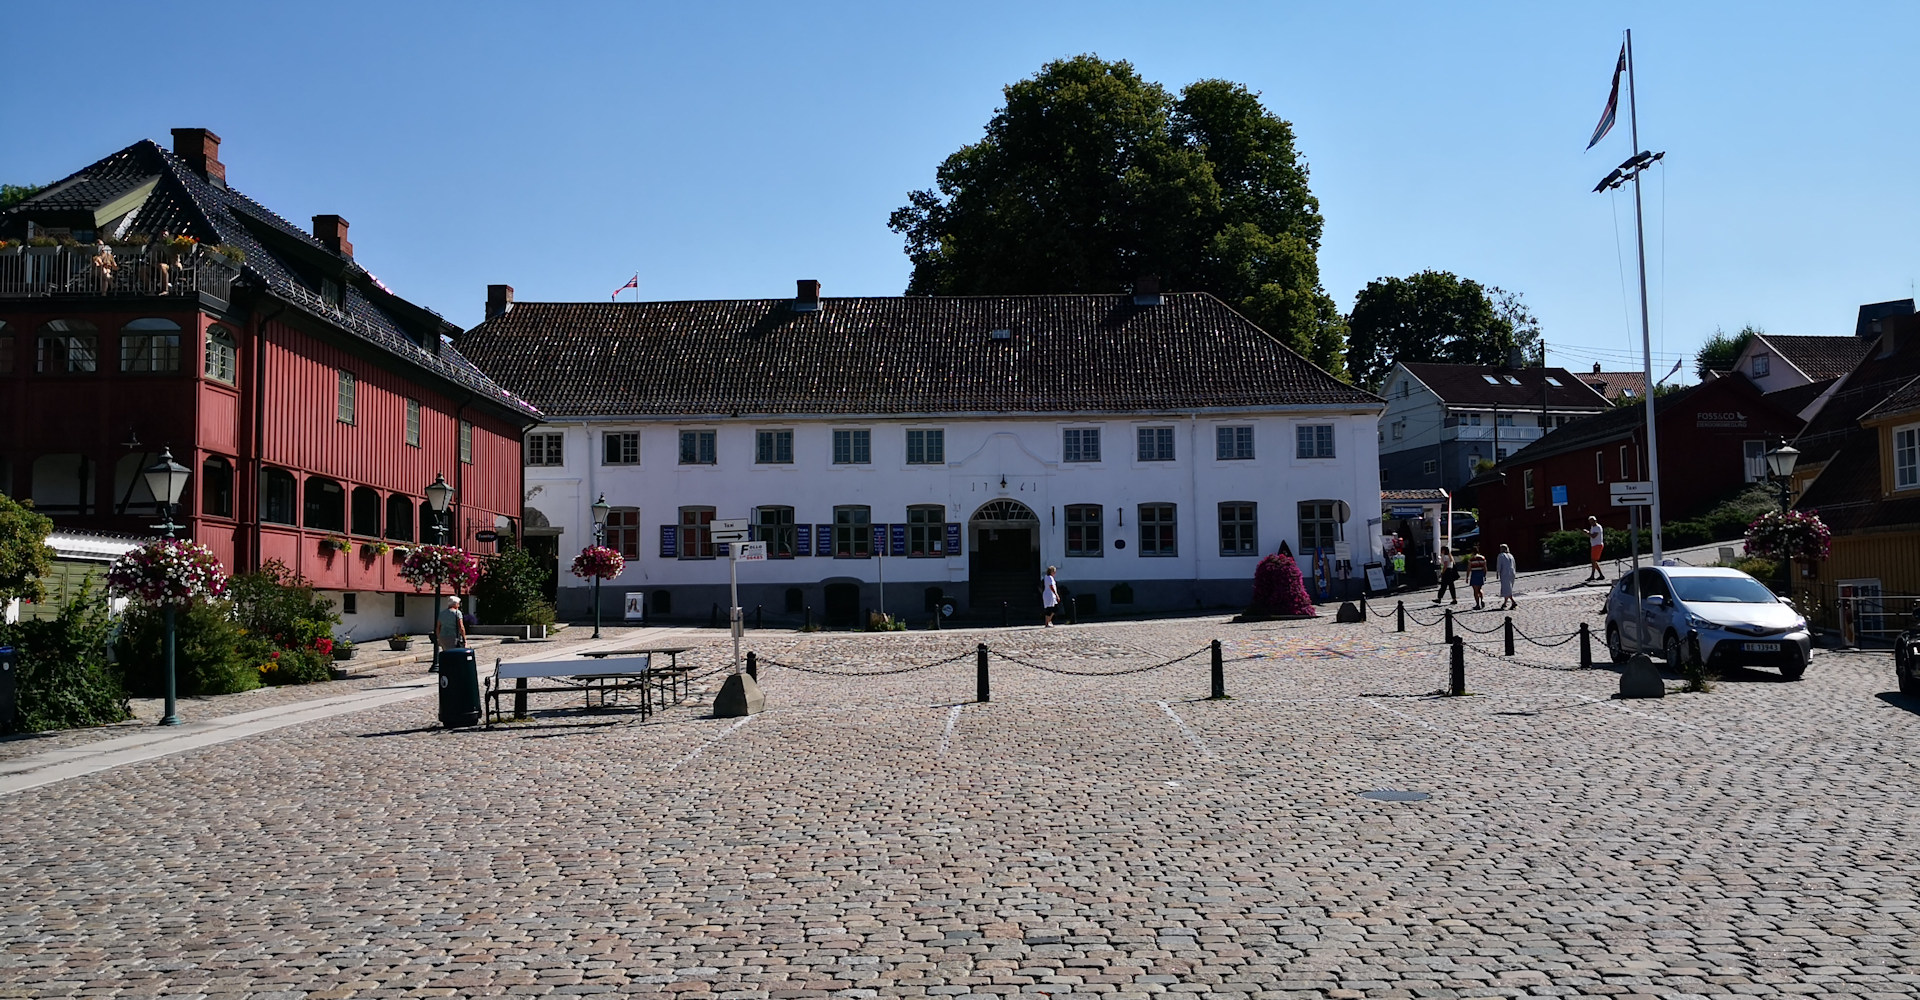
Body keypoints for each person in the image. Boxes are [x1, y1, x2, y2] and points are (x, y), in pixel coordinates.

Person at [434, 595, 467, 670]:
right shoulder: (457, 613)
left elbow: (438, 627)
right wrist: (464, 638)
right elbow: (461, 626)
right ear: (455, 604)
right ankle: (454, 670)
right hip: (453, 637)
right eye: (458, 603)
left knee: (446, 654)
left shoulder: (442, 613)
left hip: (443, 637)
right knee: (455, 655)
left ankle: (447, 669)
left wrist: (439, 637)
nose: (458, 605)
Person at [1496, 543, 1518, 611]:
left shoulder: (1501, 556)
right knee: (1508, 588)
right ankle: (1505, 603)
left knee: (1506, 588)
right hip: (1512, 573)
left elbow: (1499, 565)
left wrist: (1497, 572)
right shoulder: (1511, 555)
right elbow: (1514, 565)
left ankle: (1513, 602)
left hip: (1505, 573)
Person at [1586, 516, 1606, 582]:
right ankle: (1600, 575)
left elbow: (1594, 536)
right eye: (1590, 522)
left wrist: (1587, 532)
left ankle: (1593, 575)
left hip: (1597, 545)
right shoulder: (1593, 527)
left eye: (1592, 521)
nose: (1591, 523)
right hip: (1594, 545)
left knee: (1593, 560)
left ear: (1595, 521)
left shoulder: (1598, 527)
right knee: (1593, 561)